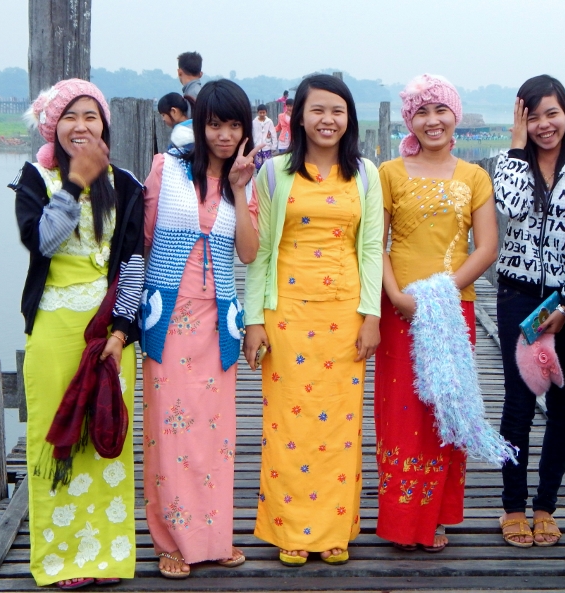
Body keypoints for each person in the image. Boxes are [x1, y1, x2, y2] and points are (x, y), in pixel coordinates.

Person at [243, 74, 383, 567]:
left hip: (344, 316)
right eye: (318, 110)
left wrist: (372, 315)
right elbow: (261, 252)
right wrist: (254, 319)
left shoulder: (365, 174)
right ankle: (291, 529)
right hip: (287, 313)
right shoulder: (274, 173)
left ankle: (333, 529)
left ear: (349, 119)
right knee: (288, 424)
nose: (328, 120)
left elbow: (371, 249)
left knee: (340, 425)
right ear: (298, 117)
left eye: (337, 111)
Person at [12, 78, 144, 588]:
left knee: (107, 436)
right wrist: (73, 184)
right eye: (70, 116)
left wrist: (121, 332)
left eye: (91, 116)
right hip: (54, 327)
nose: (81, 126)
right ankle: (63, 558)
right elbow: (43, 242)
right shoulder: (35, 178)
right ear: (53, 125)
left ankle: (107, 557)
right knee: (58, 439)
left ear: (104, 125)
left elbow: (133, 264)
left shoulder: (126, 184)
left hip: (107, 331)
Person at [141, 79, 260, 579]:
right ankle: (171, 540)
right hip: (169, 317)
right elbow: (144, 239)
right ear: (199, 124)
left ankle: (213, 538)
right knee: (170, 432)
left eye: (234, 125)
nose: (225, 135)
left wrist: (239, 187)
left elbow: (249, 253)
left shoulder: (243, 180)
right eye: (215, 124)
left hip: (218, 322)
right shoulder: (166, 169)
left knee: (215, 434)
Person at [376, 74, 499, 552]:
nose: (432, 121)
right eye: (421, 112)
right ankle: (402, 517)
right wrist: (397, 297)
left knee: (443, 409)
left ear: (455, 116)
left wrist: (440, 295)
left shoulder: (474, 177)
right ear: (409, 120)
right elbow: (376, 243)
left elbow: (485, 247)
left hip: (452, 310)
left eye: (440, 110)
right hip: (399, 311)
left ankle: (436, 516)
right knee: (401, 412)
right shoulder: (389, 173)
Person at [492, 75, 565, 547]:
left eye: (552, 114)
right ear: (521, 121)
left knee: (563, 404)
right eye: (533, 117)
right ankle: (513, 506)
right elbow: (510, 207)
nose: (544, 125)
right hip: (518, 296)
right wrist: (517, 147)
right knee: (517, 402)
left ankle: (546, 506)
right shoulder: (510, 163)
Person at [252, 104, 278, 171]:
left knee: (267, 165)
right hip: (257, 146)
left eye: (263, 112)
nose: (262, 114)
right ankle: (259, 176)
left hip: (267, 146)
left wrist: (274, 146)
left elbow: (273, 134)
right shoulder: (254, 122)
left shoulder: (269, 122)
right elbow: (252, 134)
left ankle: (267, 177)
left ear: (266, 112)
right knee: (258, 166)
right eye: (260, 112)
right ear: (257, 112)